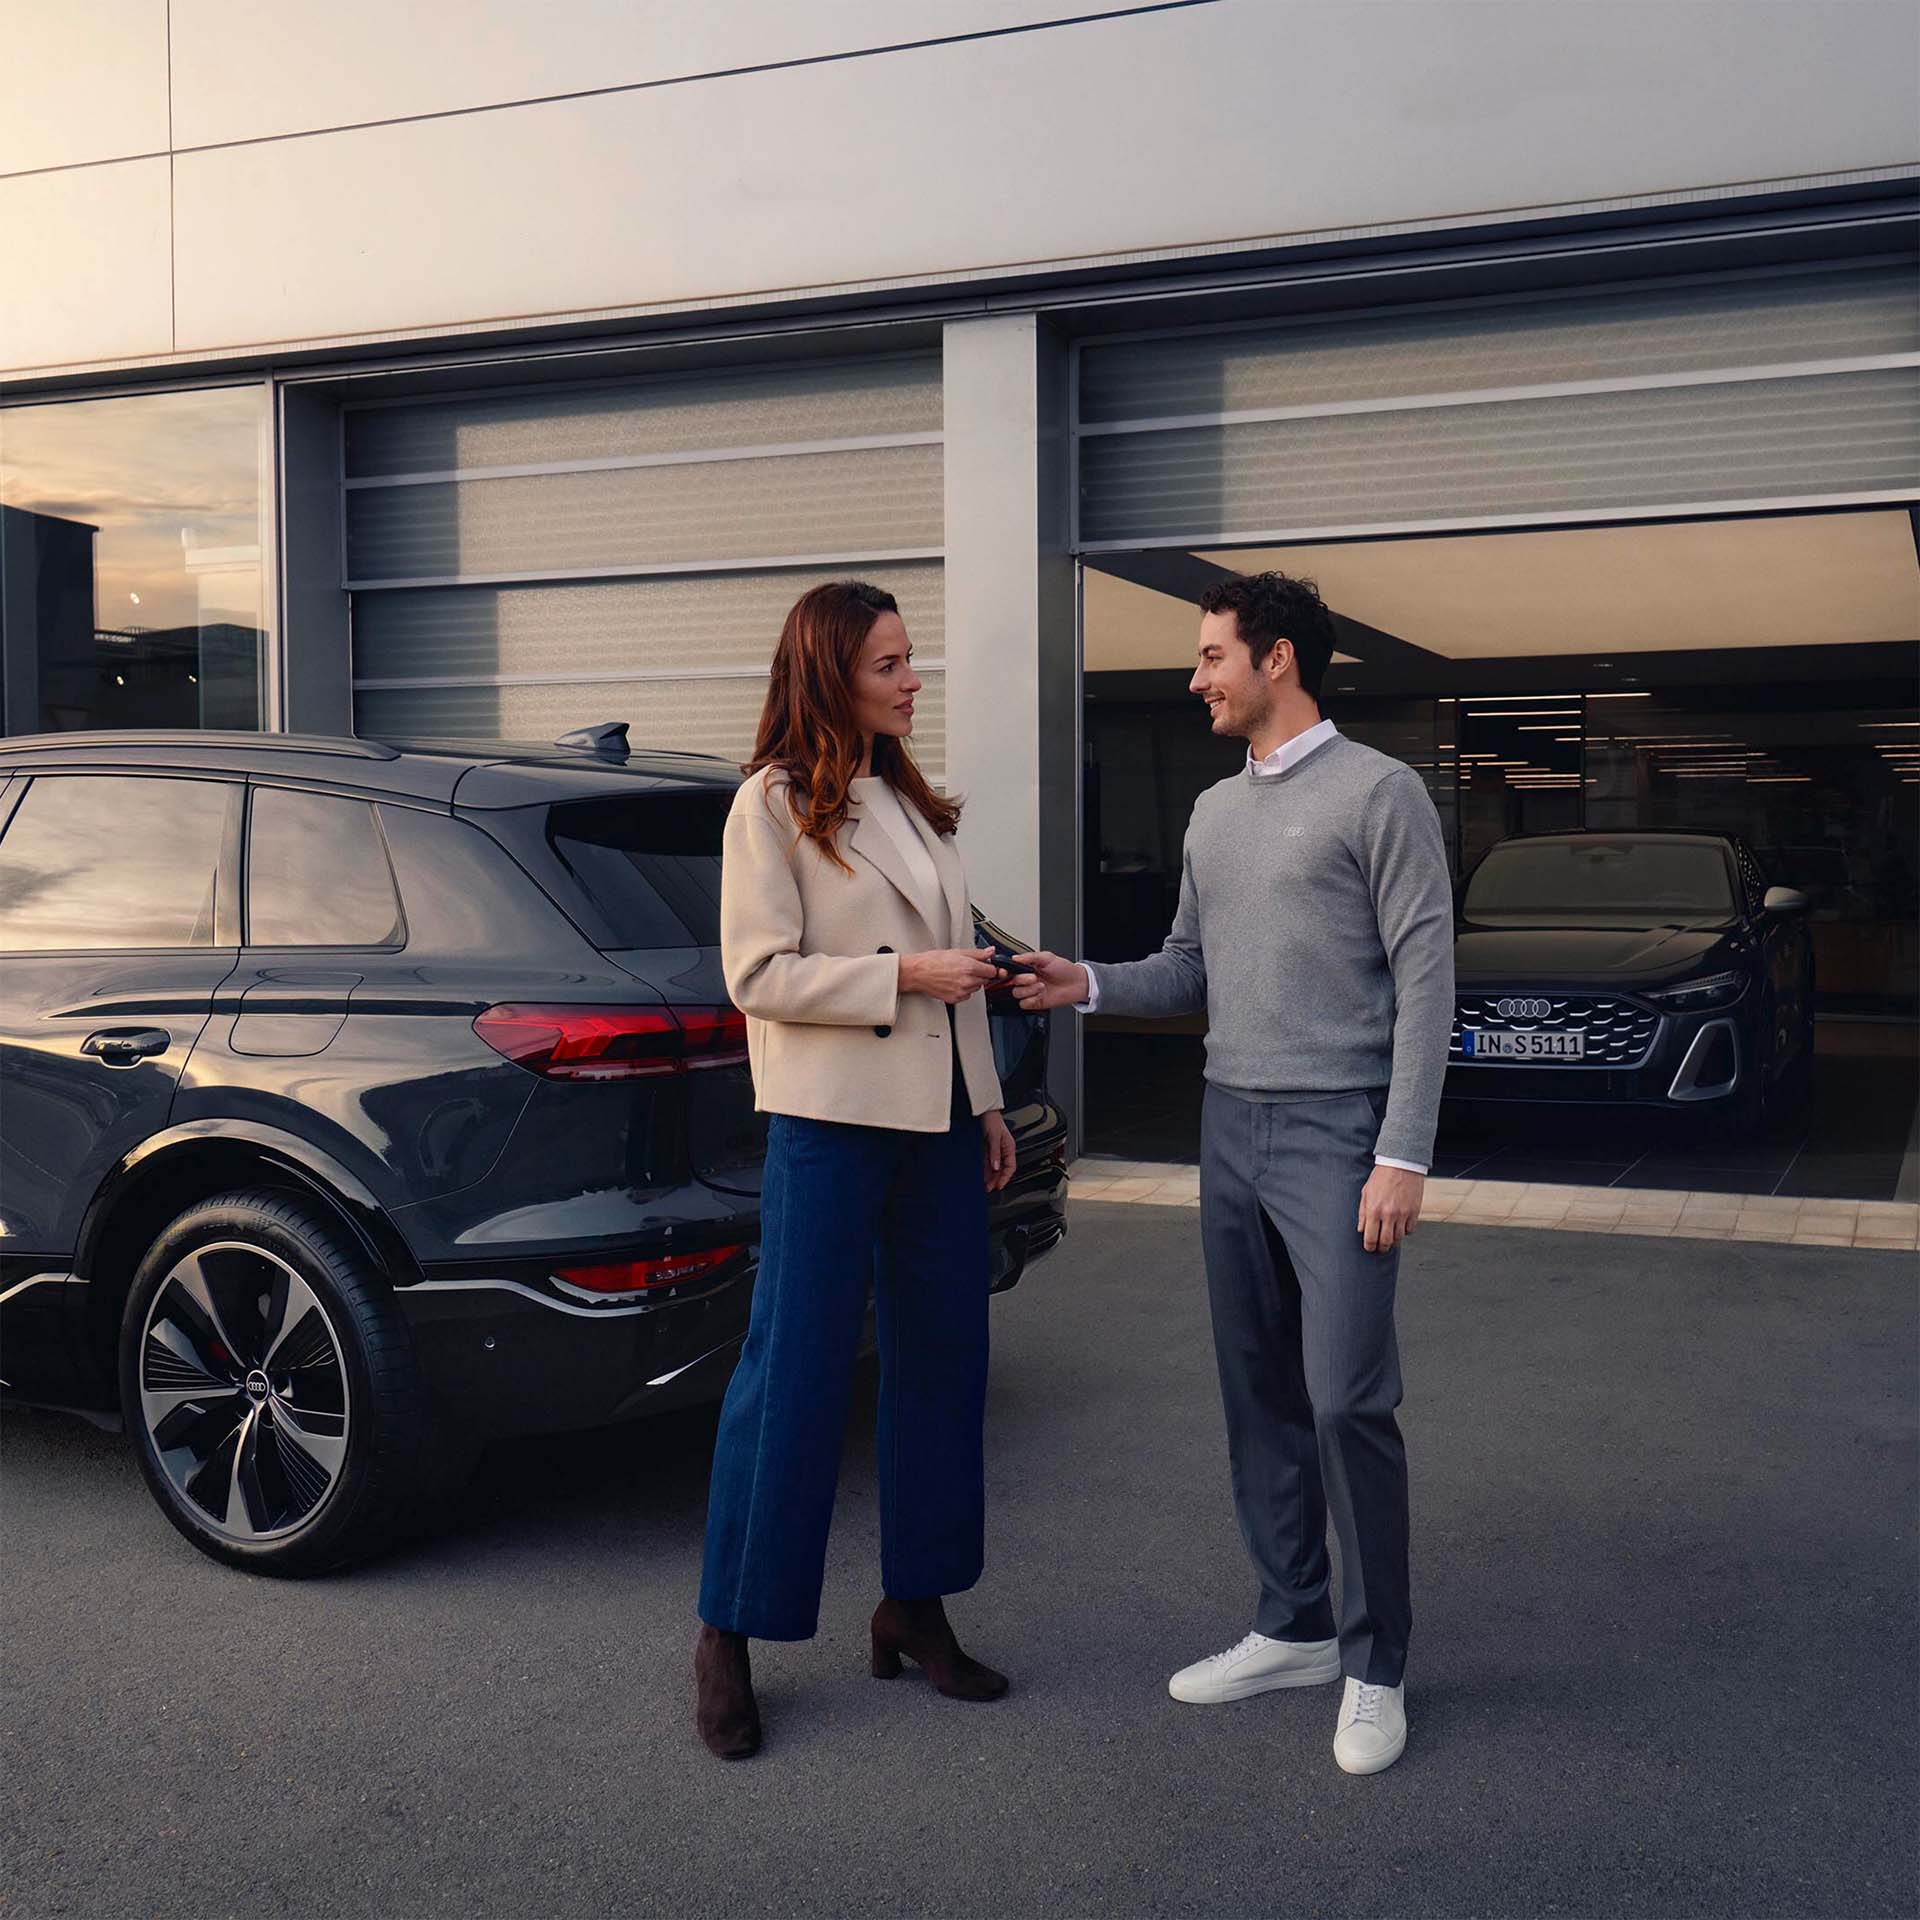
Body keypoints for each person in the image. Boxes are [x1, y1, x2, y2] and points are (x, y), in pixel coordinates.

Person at [1013, 571, 1454, 1776]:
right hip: (1230, 1127)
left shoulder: (1382, 792)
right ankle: (1295, 1622)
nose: (1196, 677)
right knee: (1257, 1391)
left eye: (1213, 655)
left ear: (1278, 664)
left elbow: (1426, 977)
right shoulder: (1212, 815)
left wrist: (1400, 1151)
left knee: (1347, 1397)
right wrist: (1084, 983)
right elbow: (1187, 968)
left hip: (1339, 1131)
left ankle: (1376, 1667)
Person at [693, 579, 1018, 1761]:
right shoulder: (769, 805)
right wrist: (900, 979)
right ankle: (729, 1631)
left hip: (934, 1120)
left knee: (942, 1362)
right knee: (794, 1372)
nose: (911, 679)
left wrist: (983, 1104)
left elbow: (962, 963)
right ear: (832, 672)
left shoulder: (911, 801)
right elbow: (757, 975)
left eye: (911, 660)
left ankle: (915, 1607)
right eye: (889, 663)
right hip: (829, 1122)